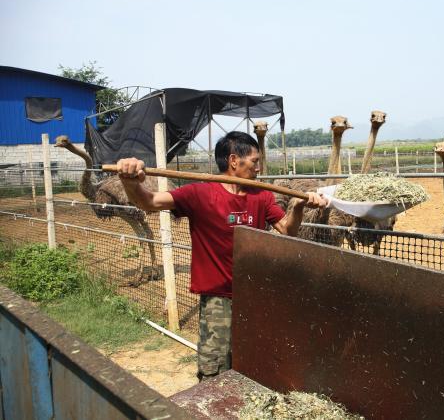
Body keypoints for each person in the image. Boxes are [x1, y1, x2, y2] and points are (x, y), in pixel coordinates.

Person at [116, 131, 327, 381]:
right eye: (255, 161)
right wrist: (130, 182)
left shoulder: (262, 196)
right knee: (214, 369)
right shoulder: (200, 194)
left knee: (252, 361)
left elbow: (287, 230)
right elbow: (150, 202)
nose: (259, 168)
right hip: (218, 298)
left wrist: (298, 207)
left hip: (254, 294)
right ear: (234, 161)